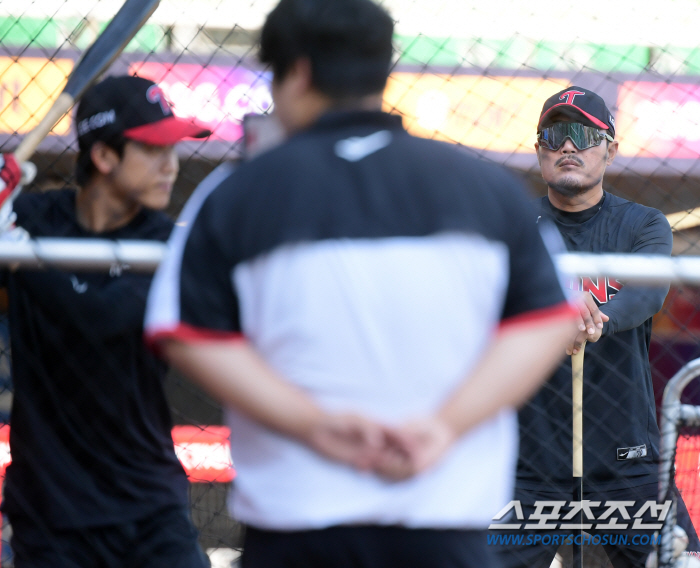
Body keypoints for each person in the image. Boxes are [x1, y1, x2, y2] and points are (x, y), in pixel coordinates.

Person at [144, 1, 577, 567]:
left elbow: (184, 330)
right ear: (381, 69)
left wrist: (318, 427)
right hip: (446, 522)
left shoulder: (239, 193)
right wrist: (443, 428)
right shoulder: (483, 189)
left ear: (296, 73)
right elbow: (548, 319)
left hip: (296, 524)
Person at [0, 75, 211, 567]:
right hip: (49, 511)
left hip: (147, 507)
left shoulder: (164, 243)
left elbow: (99, 314)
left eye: (172, 149)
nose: (171, 165)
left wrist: (21, 249)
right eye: (153, 150)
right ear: (104, 157)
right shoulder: (35, 217)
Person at [494, 86, 679, 568]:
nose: (568, 147)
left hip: (624, 458)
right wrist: (558, 317)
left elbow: (648, 293)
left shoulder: (643, 224)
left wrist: (595, 321)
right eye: (554, 136)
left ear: (610, 149)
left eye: (581, 134)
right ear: (539, 151)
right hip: (529, 461)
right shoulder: (514, 224)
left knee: (682, 561)